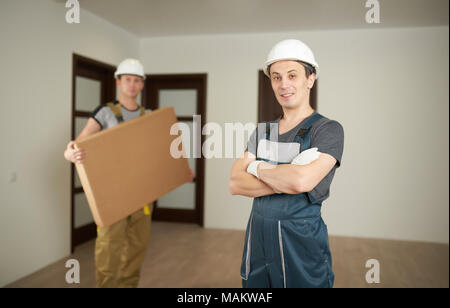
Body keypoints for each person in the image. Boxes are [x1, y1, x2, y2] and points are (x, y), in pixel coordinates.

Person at [64, 58, 193, 288]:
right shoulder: (104, 113)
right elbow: (77, 144)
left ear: (142, 84)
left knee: (136, 250)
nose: (132, 85)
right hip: (112, 196)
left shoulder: (150, 116)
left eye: (137, 80)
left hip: (142, 197)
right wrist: (70, 154)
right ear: (118, 82)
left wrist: (180, 170)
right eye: (127, 80)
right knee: (109, 249)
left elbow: (162, 154)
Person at [229, 39, 344, 288]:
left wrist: (255, 167)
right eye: (276, 77)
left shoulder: (328, 130)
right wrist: (289, 178)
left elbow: (301, 180)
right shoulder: (262, 131)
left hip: (301, 244)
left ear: (310, 79)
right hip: (258, 241)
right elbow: (235, 183)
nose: (284, 84)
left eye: (292, 75)